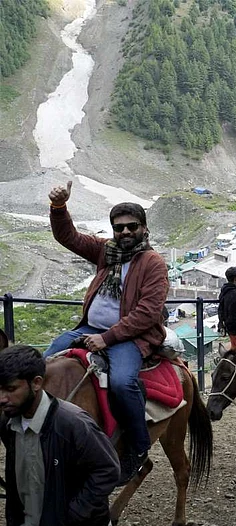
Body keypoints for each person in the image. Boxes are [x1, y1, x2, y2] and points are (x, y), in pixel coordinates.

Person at [44, 181, 167, 485]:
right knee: (43, 364)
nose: (125, 232)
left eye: (131, 227)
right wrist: (59, 208)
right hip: (90, 328)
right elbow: (68, 237)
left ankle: (137, 448)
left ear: (144, 228)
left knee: (124, 383)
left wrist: (107, 338)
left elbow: (148, 313)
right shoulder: (106, 252)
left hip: (128, 337)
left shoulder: (153, 263)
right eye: (119, 227)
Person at [0, 345, 120, 526]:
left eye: (10, 389)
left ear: (36, 383)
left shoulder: (73, 423)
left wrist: (72, 515)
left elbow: (108, 469)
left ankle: (138, 444)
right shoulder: (7, 423)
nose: (2, 398)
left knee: (125, 384)